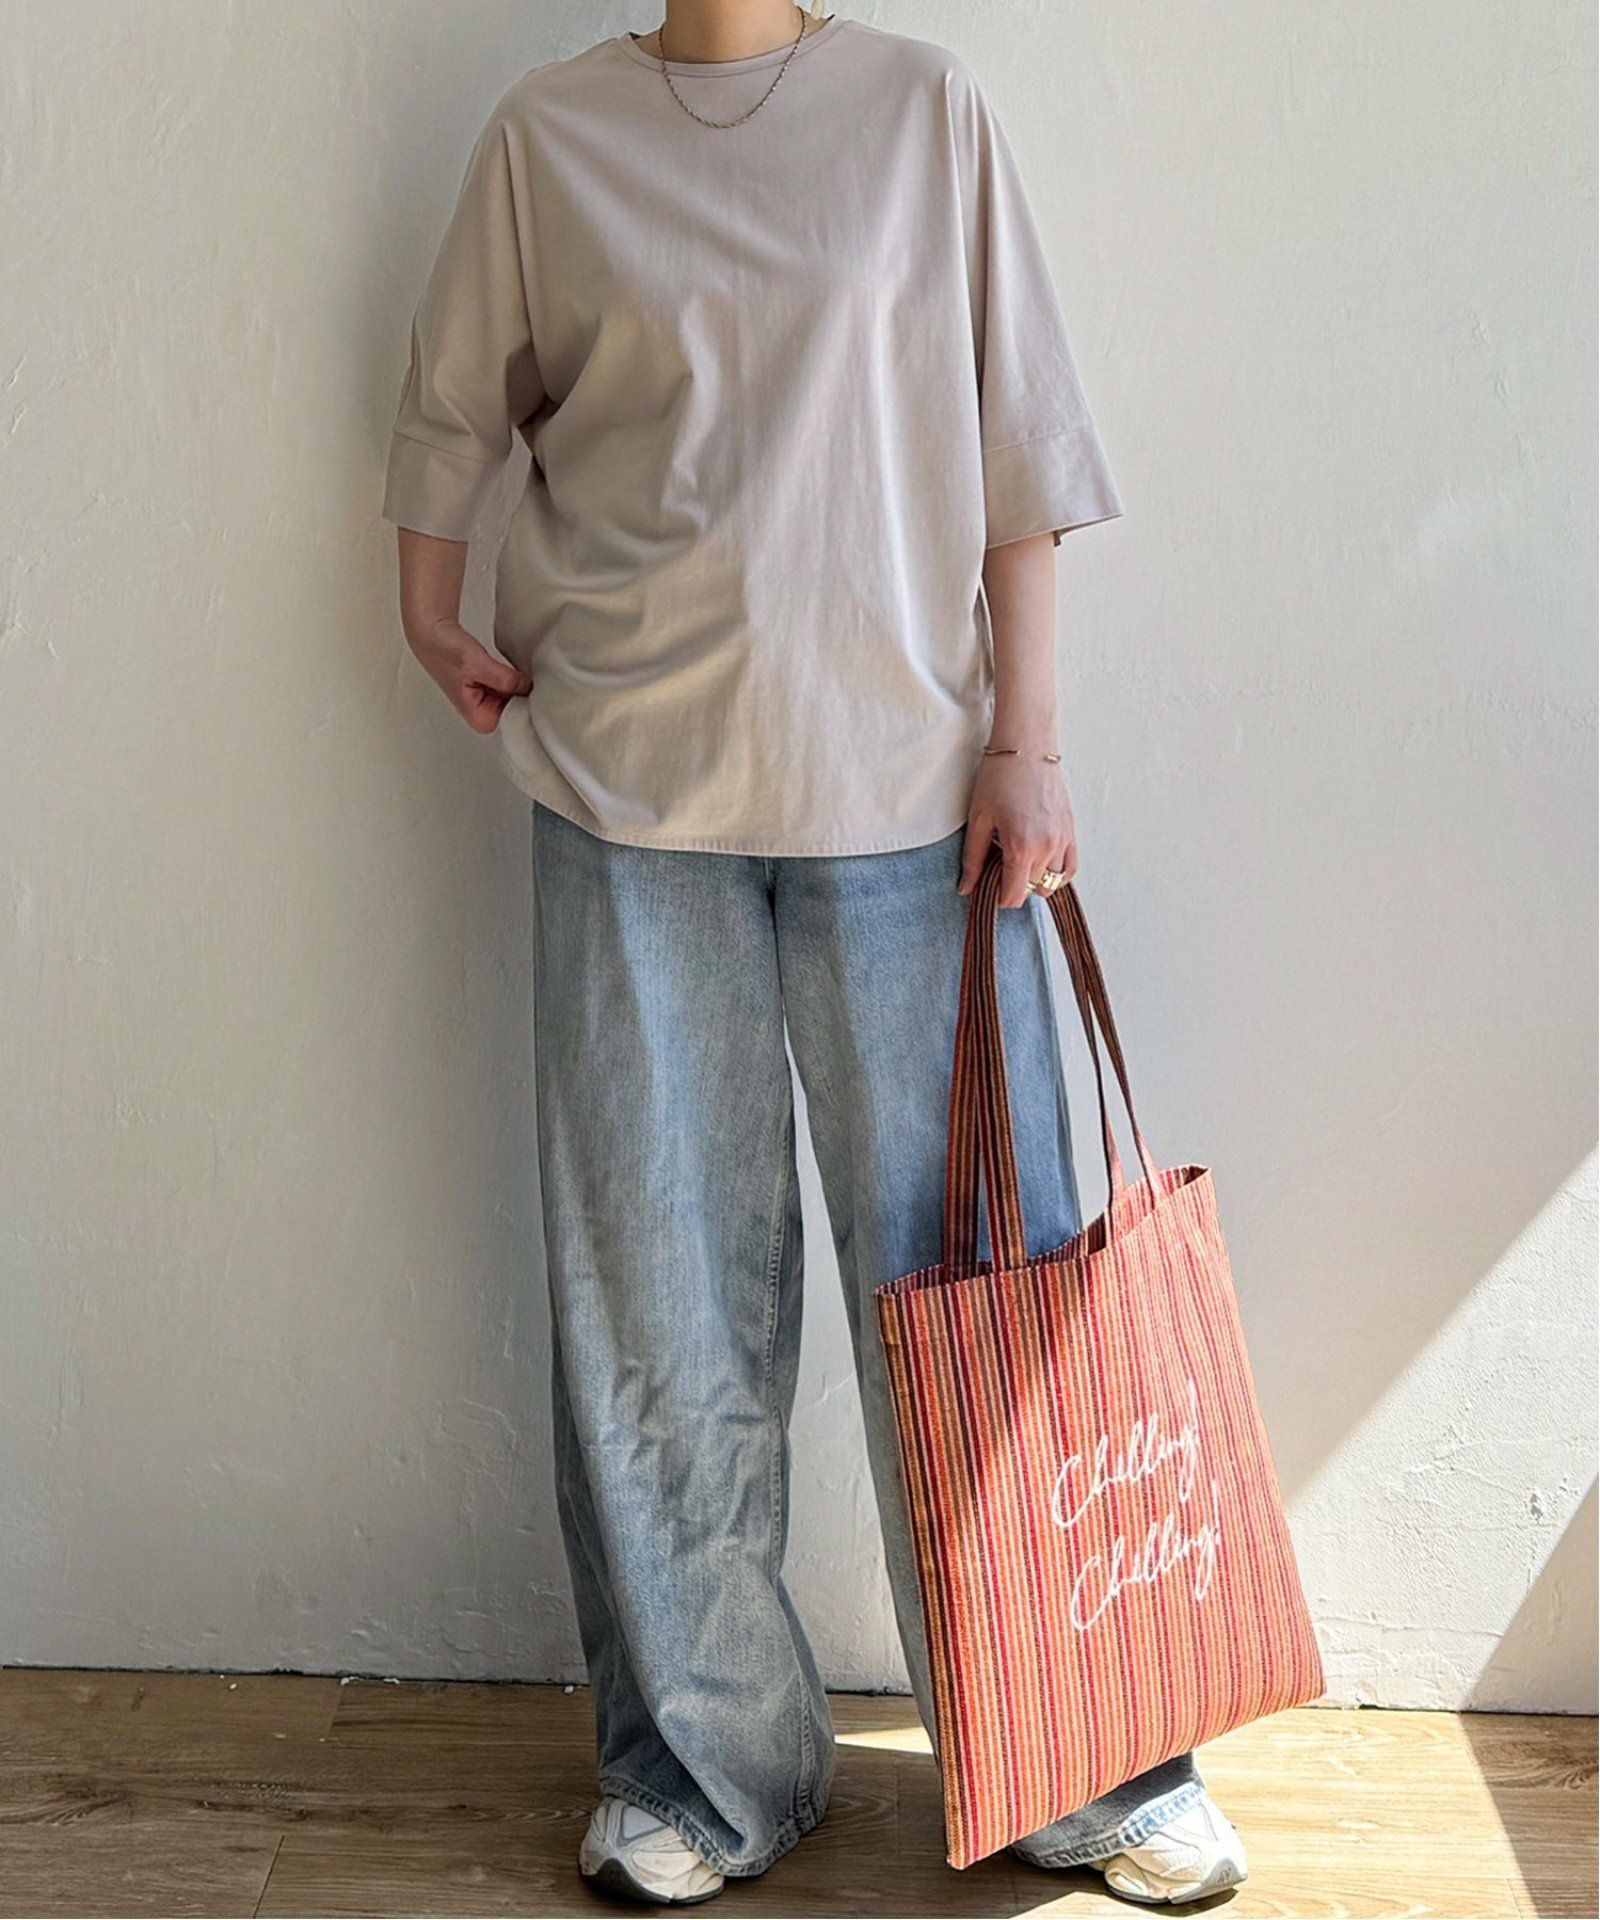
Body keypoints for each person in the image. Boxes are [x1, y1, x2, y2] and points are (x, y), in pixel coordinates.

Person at [380, 2, 1247, 1905]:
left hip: (909, 801)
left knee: (990, 1274)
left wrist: (1028, 744)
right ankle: (705, 1770)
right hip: (627, 795)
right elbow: (452, 402)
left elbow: (1019, 444)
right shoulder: (549, 137)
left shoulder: (922, 110)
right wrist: (427, 603)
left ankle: (1078, 1751)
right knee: (657, 1299)